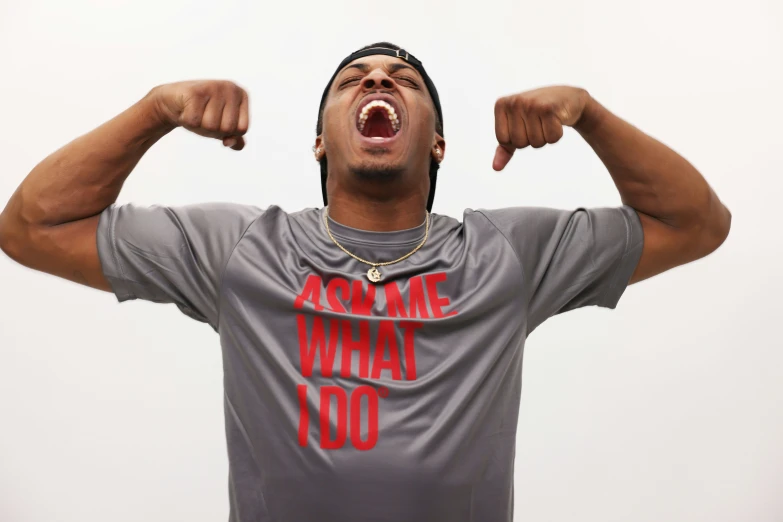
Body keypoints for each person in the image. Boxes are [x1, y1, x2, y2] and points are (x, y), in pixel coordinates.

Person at [0, 42, 730, 522]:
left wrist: (589, 113)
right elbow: (30, 228)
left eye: (402, 81)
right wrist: (155, 111)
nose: (377, 81)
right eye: (354, 79)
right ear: (321, 139)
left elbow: (696, 223)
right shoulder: (244, 248)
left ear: (437, 143)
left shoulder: (504, 252)